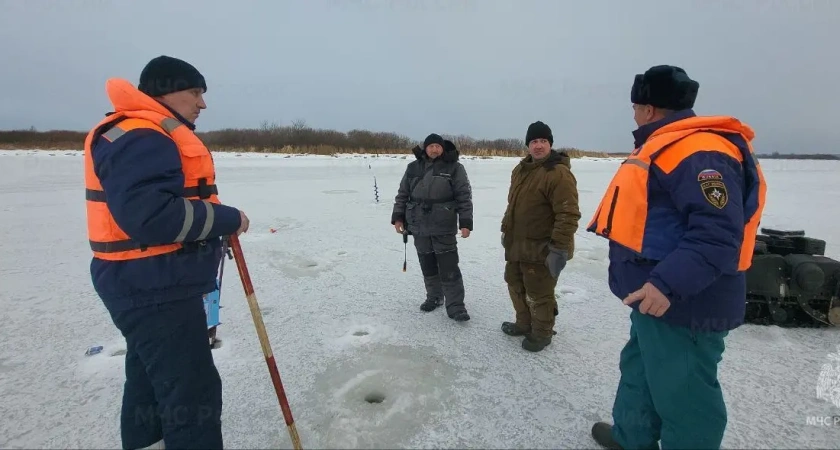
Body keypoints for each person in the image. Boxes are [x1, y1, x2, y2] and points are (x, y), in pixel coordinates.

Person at [587, 65, 767, 449]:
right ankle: (630, 437)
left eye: (635, 106)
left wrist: (667, 284)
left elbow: (718, 232)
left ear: (649, 109)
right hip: (654, 296)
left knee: (685, 396)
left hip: (685, 302)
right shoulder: (669, 144)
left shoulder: (699, 151)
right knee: (640, 369)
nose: (633, 114)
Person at [83, 55, 249, 450]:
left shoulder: (138, 131)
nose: (202, 104)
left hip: (144, 280)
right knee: (192, 395)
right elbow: (151, 217)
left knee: (148, 377)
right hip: (153, 284)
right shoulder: (142, 135)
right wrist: (228, 219)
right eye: (195, 92)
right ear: (166, 91)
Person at [500, 121, 581, 352]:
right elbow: (512, 205)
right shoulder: (520, 170)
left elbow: (568, 214)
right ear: (527, 145)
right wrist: (506, 229)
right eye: (534, 141)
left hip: (543, 248)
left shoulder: (558, 173)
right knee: (515, 284)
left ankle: (542, 333)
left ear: (550, 144)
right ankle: (524, 324)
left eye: (543, 141)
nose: (538, 146)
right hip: (518, 244)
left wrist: (559, 249)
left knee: (539, 292)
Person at [391, 133, 473, 321]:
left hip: (443, 223)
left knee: (449, 266)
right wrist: (398, 217)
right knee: (427, 265)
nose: (434, 149)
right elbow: (402, 194)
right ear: (425, 148)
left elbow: (464, 196)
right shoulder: (413, 167)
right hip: (418, 224)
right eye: (431, 146)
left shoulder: (455, 168)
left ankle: (456, 306)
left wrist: (466, 222)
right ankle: (434, 297)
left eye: (438, 146)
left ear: (443, 148)